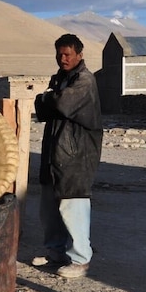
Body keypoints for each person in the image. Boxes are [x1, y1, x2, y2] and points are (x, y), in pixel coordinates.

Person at [31, 33, 103, 278]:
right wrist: (48, 99)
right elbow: (43, 108)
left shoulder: (84, 81)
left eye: (68, 54)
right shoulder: (61, 79)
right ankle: (56, 254)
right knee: (50, 208)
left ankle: (80, 260)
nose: (63, 58)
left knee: (73, 206)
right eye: (59, 54)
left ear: (79, 55)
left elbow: (62, 104)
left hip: (76, 156)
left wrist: (47, 98)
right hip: (56, 154)